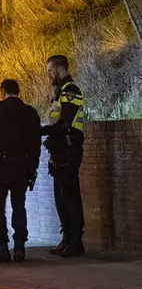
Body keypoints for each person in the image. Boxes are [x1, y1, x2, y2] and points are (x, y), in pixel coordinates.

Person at [0, 79, 42, 263]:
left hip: (2, 165)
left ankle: (1, 248)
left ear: (2, 91)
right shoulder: (30, 112)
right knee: (19, 206)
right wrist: (32, 167)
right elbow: (36, 143)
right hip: (22, 166)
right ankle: (20, 248)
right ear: (18, 91)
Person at [42, 55, 86, 258]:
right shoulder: (58, 93)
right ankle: (67, 238)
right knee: (60, 197)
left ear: (60, 69)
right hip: (59, 152)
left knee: (70, 197)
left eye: (50, 70)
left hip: (69, 150)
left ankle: (77, 241)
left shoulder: (71, 91)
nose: (48, 74)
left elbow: (65, 123)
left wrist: (42, 132)